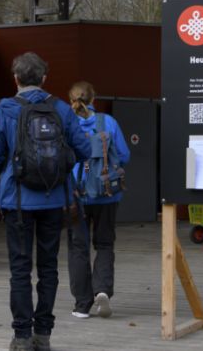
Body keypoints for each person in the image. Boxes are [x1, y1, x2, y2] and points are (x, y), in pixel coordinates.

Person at [0, 52, 90, 351]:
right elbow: (83, 148)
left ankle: (21, 336)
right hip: (54, 200)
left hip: (16, 201)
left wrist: (13, 163)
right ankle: (43, 335)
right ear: (44, 78)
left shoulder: (5, 109)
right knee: (48, 268)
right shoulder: (60, 109)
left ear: (15, 79)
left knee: (20, 269)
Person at [66, 81, 130, 320]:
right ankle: (102, 289)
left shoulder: (66, 124)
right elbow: (124, 155)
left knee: (77, 248)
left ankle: (82, 304)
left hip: (75, 196)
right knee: (104, 244)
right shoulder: (108, 122)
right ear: (93, 100)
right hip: (106, 195)